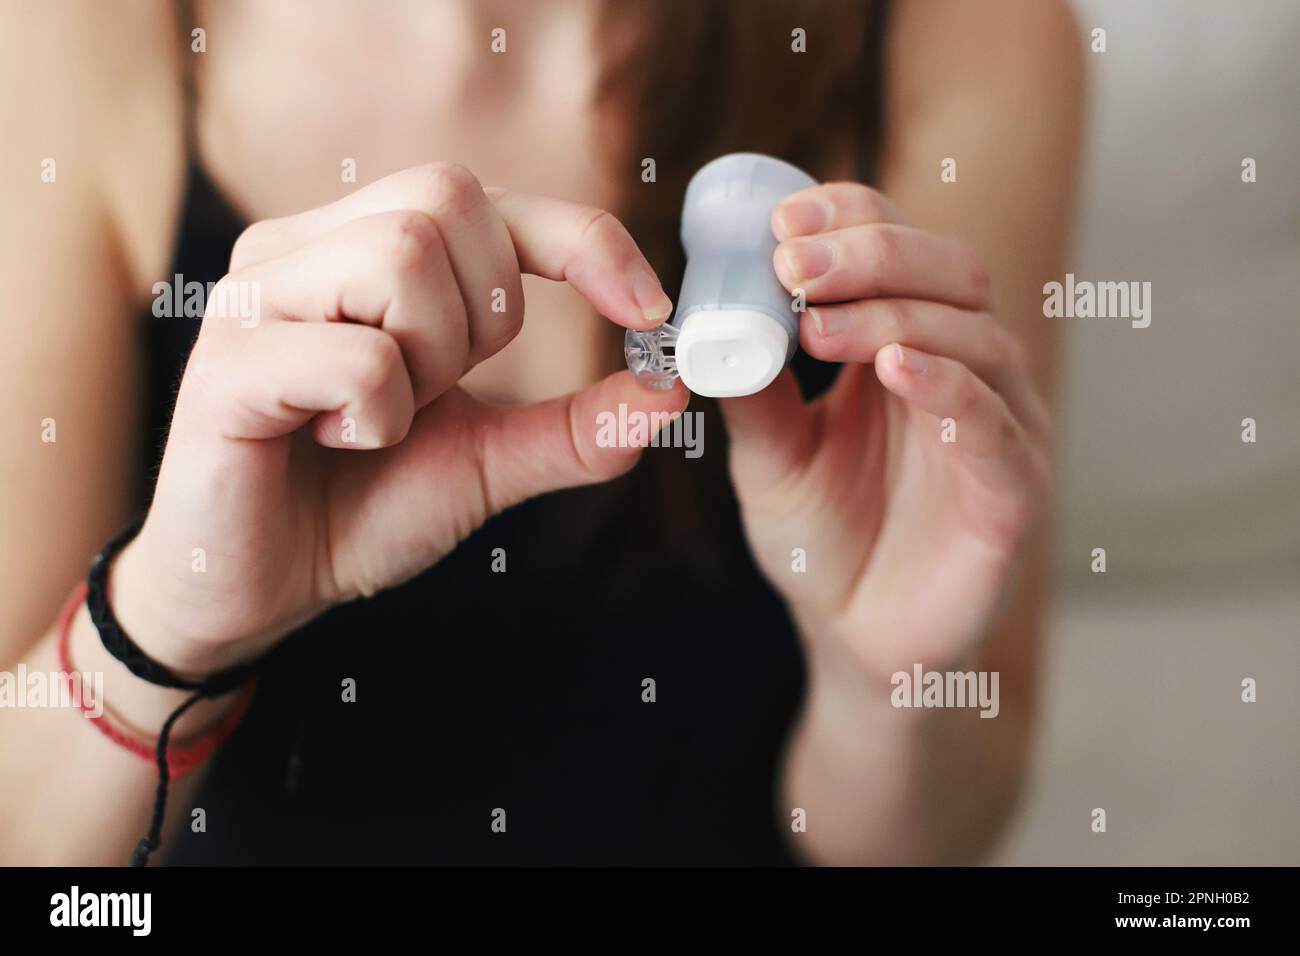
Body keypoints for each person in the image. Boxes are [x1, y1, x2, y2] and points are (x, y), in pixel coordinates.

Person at [0, 0, 1083, 865]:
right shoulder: (71, 39)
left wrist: (882, 684)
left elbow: (935, 834)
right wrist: (169, 625)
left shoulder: (964, 29)